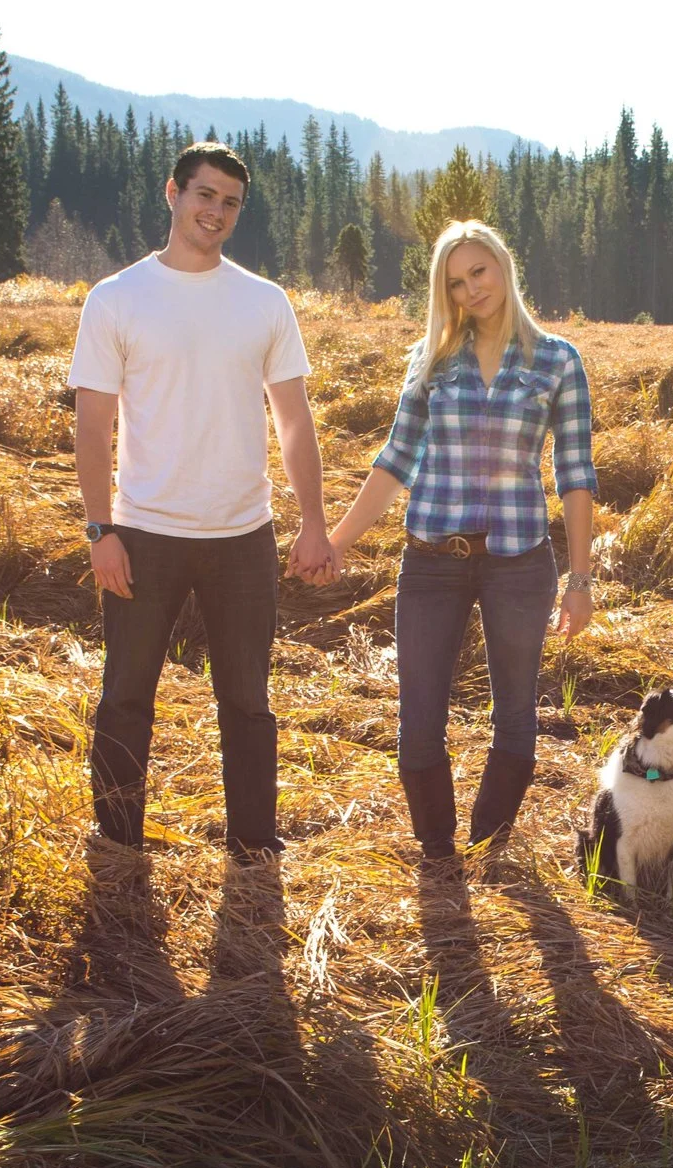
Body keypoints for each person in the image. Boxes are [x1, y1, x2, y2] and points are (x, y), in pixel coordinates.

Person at [68, 140, 331, 861]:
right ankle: (118, 843)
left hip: (243, 536)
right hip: (144, 533)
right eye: (205, 195)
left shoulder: (264, 302)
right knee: (126, 696)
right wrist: (101, 531)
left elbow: (295, 418)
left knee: (247, 703)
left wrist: (313, 522)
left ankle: (253, 846)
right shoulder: (117, 299)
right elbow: (94, 426)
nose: (216, 211)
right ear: (173, 194)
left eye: (230, 202)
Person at [312, 220, 597, 862]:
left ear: (504, 266)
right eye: (456, 282)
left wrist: (580, 581)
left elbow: (576, 476)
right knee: (418, 720)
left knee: (516, 715)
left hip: (520, 565)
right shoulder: (432, 359)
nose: (472, 290)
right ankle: (438, 850)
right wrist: (337, 541)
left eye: (480, 272)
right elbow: (395, 459)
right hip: (432, 562)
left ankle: (488, 844)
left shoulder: (558, 360)